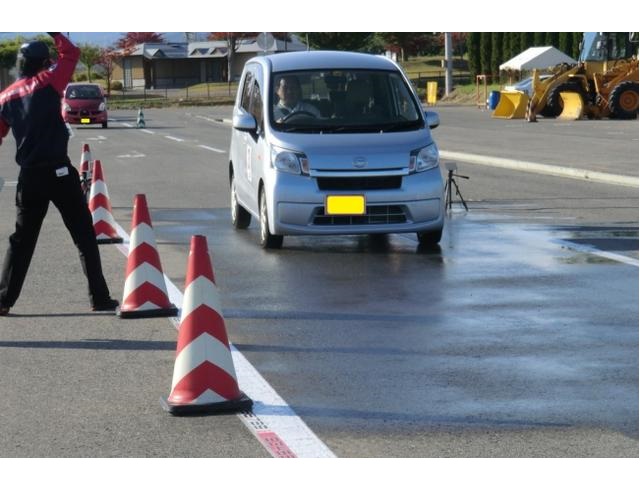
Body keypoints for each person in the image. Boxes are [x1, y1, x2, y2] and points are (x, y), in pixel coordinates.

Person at [0, 33, 119, 316]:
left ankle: (3, 300)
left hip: (28, 176)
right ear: (42, 63)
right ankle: (99, 297)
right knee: (83, 235)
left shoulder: (5, 96)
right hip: (59, 172)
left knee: (21, 241)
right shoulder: (48, 82)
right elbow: (71, 53)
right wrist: (54, 29)